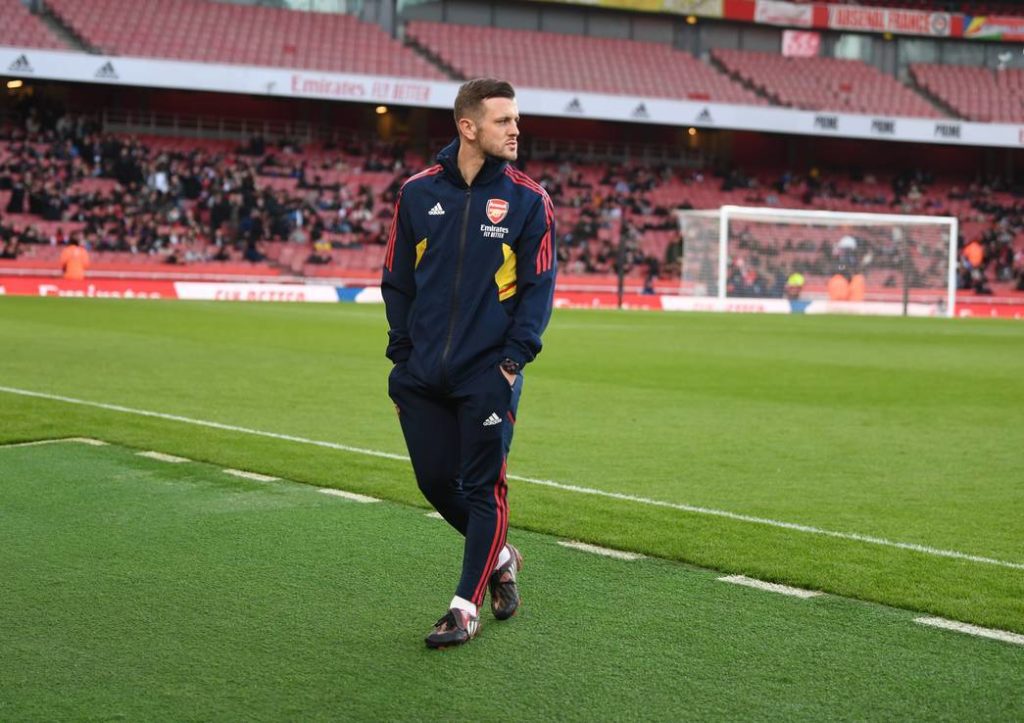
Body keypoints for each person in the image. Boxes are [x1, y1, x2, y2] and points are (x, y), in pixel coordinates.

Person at [381, 78, 556, 649]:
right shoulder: (415, 193)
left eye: (516, 119)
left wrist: (511, 363)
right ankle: (502, 555)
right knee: (435, 480)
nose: (515, 129)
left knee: (484, 490)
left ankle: (464, 608)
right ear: (467, 127)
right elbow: (397, 280)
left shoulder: (531, 201)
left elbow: (538, 290)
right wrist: (402, 355)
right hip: (423, 373)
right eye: (503, 120)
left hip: (488, 374)